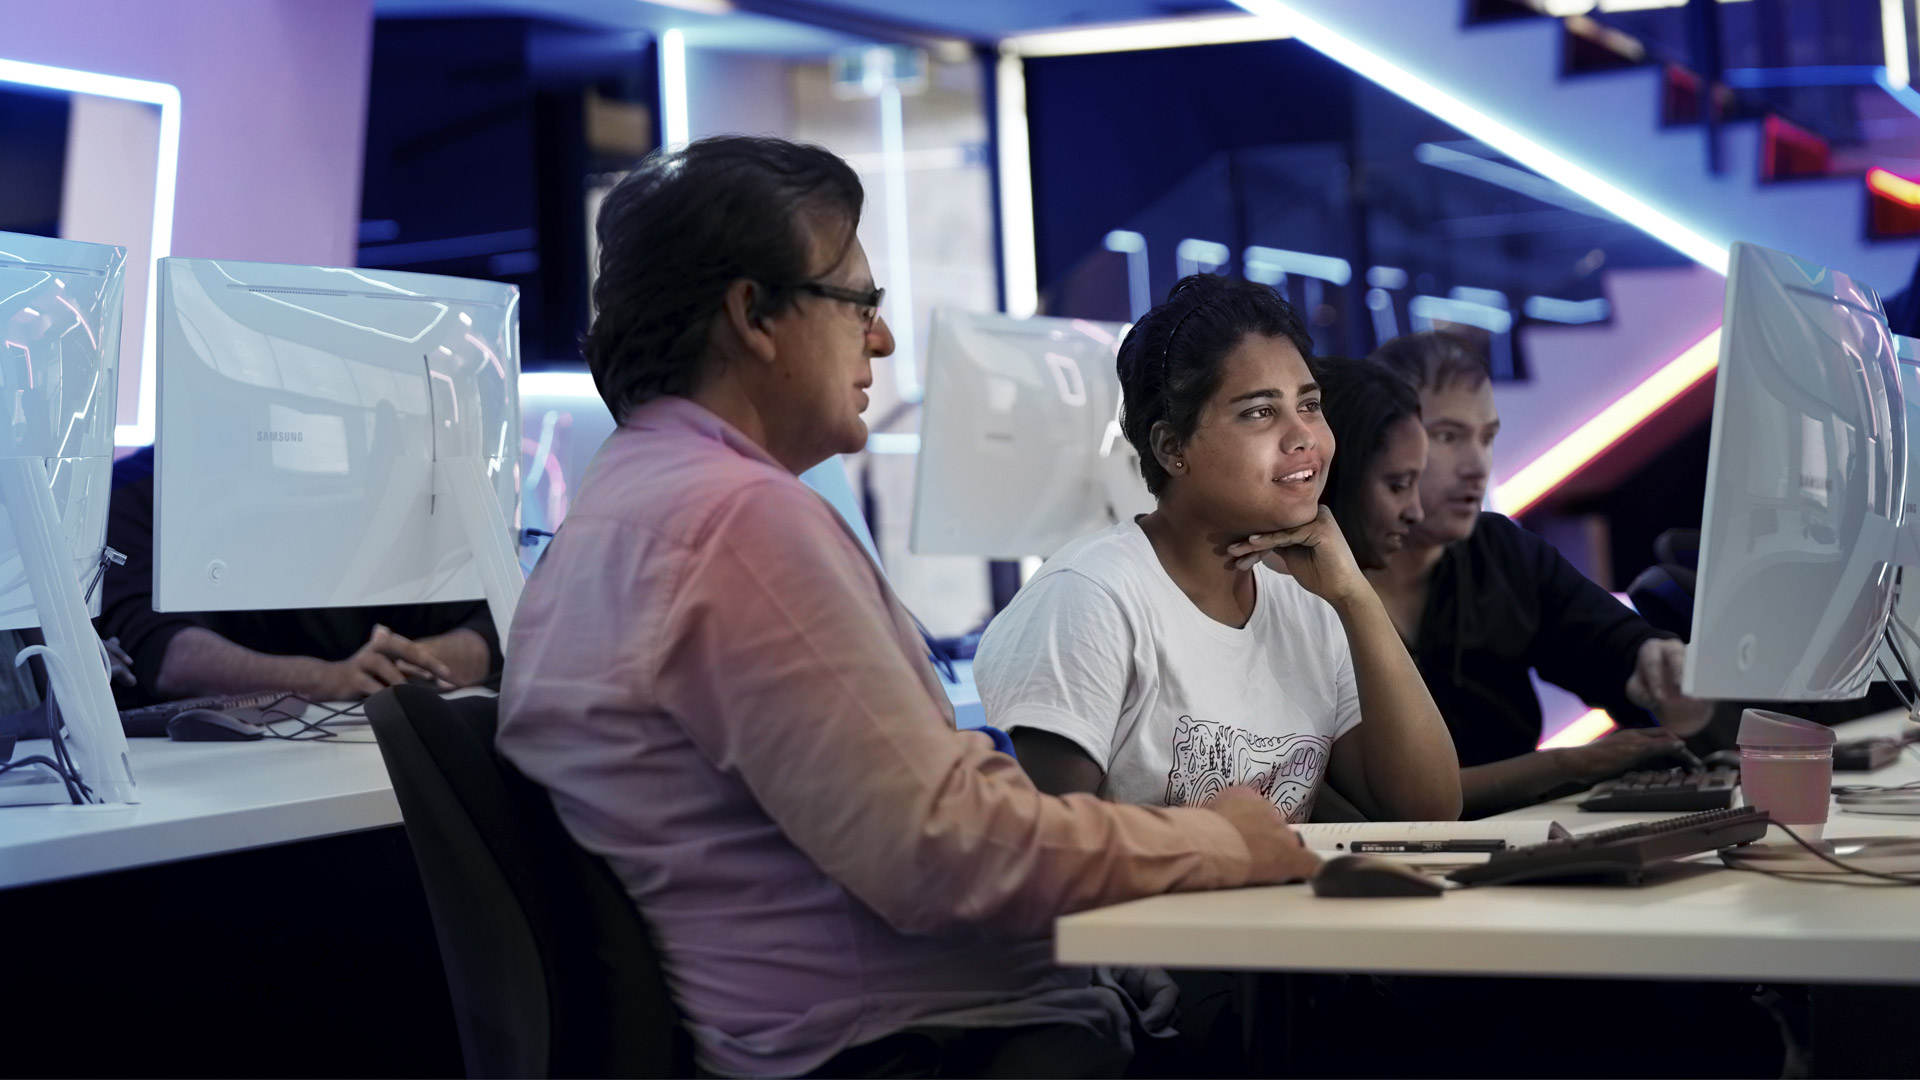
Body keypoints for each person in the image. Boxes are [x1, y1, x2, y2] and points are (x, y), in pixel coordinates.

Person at [495, 136, 1320, 1080]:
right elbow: (950, 851)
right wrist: (1218, 840)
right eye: (860, 305)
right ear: (753, 314)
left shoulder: (615, 509)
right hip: (932, 1050)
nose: (881, 341)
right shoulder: (738, 525)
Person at [973, 275, 1461, 826]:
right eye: (1259, 412)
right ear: (1172, 447)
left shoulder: (1312, 608)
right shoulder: (1089, 600)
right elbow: (1050, 850)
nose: (1303, 436)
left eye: (1310, 405)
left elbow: (1430, 808)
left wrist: (1354, 596)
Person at [1361, 332, 1710, 816]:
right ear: (1377, 443)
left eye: (1486, 438)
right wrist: (1573, 764)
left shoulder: (1503, 551)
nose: (1476, 467)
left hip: (1523, 840)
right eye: (1448, 436)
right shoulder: (1314, 579)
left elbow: (1617, 649)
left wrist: (1660, 666)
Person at [97, 446, 499, 704]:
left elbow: (495, 621)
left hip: (357, 757)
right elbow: (166, 658)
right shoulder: (135, 492)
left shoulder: (359, 488)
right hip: (195, 777)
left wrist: (416, 663)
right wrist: (330, 679)